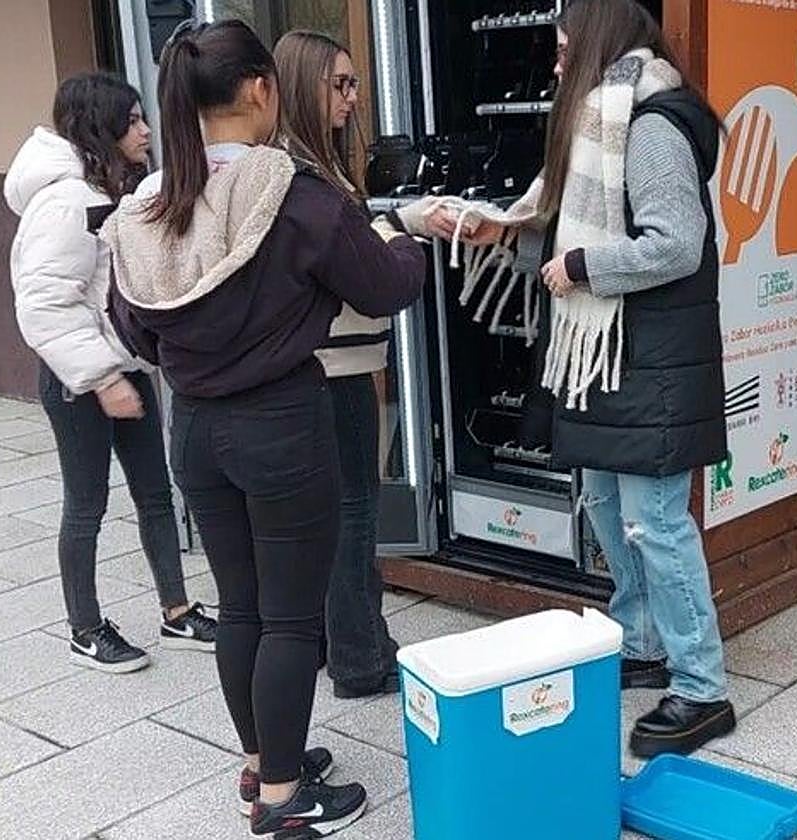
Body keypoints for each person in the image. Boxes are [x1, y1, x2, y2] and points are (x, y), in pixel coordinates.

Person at [101, 21, 436, 837]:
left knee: (242, 608)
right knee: (290, 618)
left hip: (197, 432)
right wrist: (408, 235)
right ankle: (285, 799)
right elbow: (384, 285)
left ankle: (262, 760)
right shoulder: (290, 194)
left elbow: (135, 331)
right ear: (261, 88)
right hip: (283, 424)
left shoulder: (148, 205)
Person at [457, 0, 735, 758]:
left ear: (597, 44)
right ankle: (642, 643)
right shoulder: (605, 121)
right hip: (615, 356)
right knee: (609, 504)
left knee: (655, 521)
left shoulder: (647, 126)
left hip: (648, 357)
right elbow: (573, 213)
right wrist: (509, 228)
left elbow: (678, 243)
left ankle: (703, 686)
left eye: (563, 44)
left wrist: (580, 266)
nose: (555, 59)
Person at [4, 73, 217, 675]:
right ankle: (85, 628)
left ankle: (177, 612)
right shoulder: (65, 201)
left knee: (156, 494)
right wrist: (102, 378)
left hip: (122, 369)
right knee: (87, 504)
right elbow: (45, 304)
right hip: (79, 381)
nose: (145, 130)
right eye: (131, 121)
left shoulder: (108, 188)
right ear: (100, 129)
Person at [274, 29, 401, 699]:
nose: (354, 99)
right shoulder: (312, 178)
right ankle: (360, 657)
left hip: (316, 367)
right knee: (355, 513)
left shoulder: (292, 167)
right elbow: (371, 279)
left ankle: (346, 641)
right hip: (341, 370)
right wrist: (395, 235)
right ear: (303, 87)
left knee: (330, 518)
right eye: (342, 85)